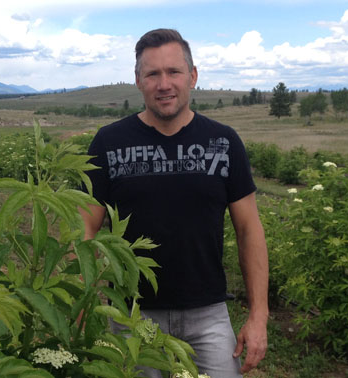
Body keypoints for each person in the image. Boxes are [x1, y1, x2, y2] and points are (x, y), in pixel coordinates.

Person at [80, 28, 268, 377]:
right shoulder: (109, 142)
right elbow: (84, 228)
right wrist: (81, 298)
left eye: (173, 72)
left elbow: (249, 229)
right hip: (131, 314)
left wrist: (258, 316)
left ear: (192, 76)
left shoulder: (223, 142)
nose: (163, 84)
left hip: (208, 314)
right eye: (152, 74)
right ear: (138, 80)